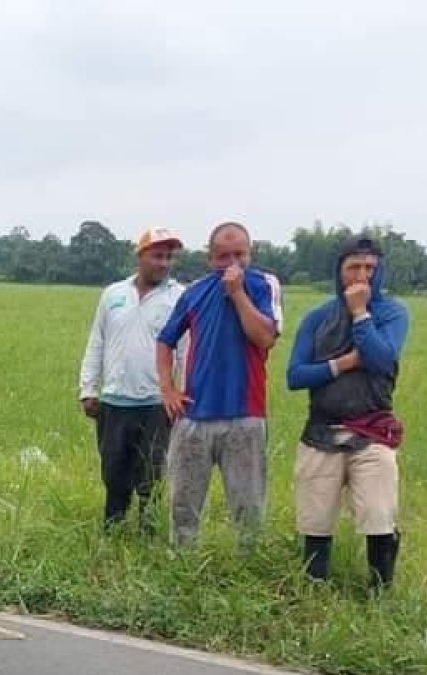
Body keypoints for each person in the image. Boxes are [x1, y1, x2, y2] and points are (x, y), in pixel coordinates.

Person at [286, 235, 408, 589]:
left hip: (372, 431)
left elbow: (383, 359)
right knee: (315, 519)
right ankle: (314, 592)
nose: (362, 276)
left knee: (379, 515)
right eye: (354, 267)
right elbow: (295, 376)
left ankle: (379, 594)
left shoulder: (393, 313)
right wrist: (343, 363)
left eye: (370, 268)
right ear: (339, 272)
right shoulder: (317, 317)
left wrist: (359, 313)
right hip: (321, 430)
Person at [156, 222, 283, 547]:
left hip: (245, 414)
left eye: (239, 255)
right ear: (210, 259)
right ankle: (182, 570)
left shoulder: (262, 286)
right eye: (223, 256)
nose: (231, 263)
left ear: (250, 254)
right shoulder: (194, 292)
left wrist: (237, 293)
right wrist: (168, 389)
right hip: (194, 415)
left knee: (248, 507)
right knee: (183, 507)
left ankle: (248, 571)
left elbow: (265, 338)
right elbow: (165, 340)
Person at [78, 227, 186, 533]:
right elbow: (96, 342)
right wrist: (88, 388)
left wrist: (180, 392)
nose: (163, 263)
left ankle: (148, 529)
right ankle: (113, 527)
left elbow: (185, 349)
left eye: (168, 257)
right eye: (157, 256)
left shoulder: (178, 297)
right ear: (140, 256)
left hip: (156, 401)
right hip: (113, 399)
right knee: (113, 468)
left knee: (151, 469)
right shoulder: (113, 295)